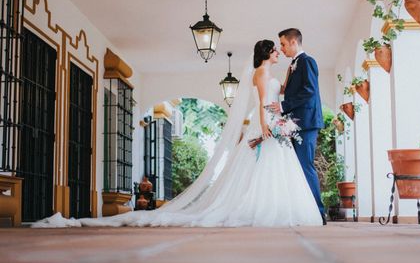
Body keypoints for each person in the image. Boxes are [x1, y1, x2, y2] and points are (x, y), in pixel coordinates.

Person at [33, 39, 322, 228]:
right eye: (275, 49)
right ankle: (262, 209)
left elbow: (280, 94)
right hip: (266, 124)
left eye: (279, 48)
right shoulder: (260, 74)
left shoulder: (272, 75)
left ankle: (274, 207)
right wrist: (267, 125)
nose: (278, 52)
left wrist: (284, 90)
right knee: (264, 167)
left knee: (274, 167)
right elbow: (261, 104)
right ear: (266, 54)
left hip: (274, 121)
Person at [267, 28, 326, 224]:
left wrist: (283, 105)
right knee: (297, 167)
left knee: (305, 166)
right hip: (295, 123)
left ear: (293, 42)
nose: (281, 49)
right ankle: (305, 211)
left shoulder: (307, 61)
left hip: (307, 123)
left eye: (283, 44)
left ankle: (318, 212)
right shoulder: (294, 64)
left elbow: (309, 91)